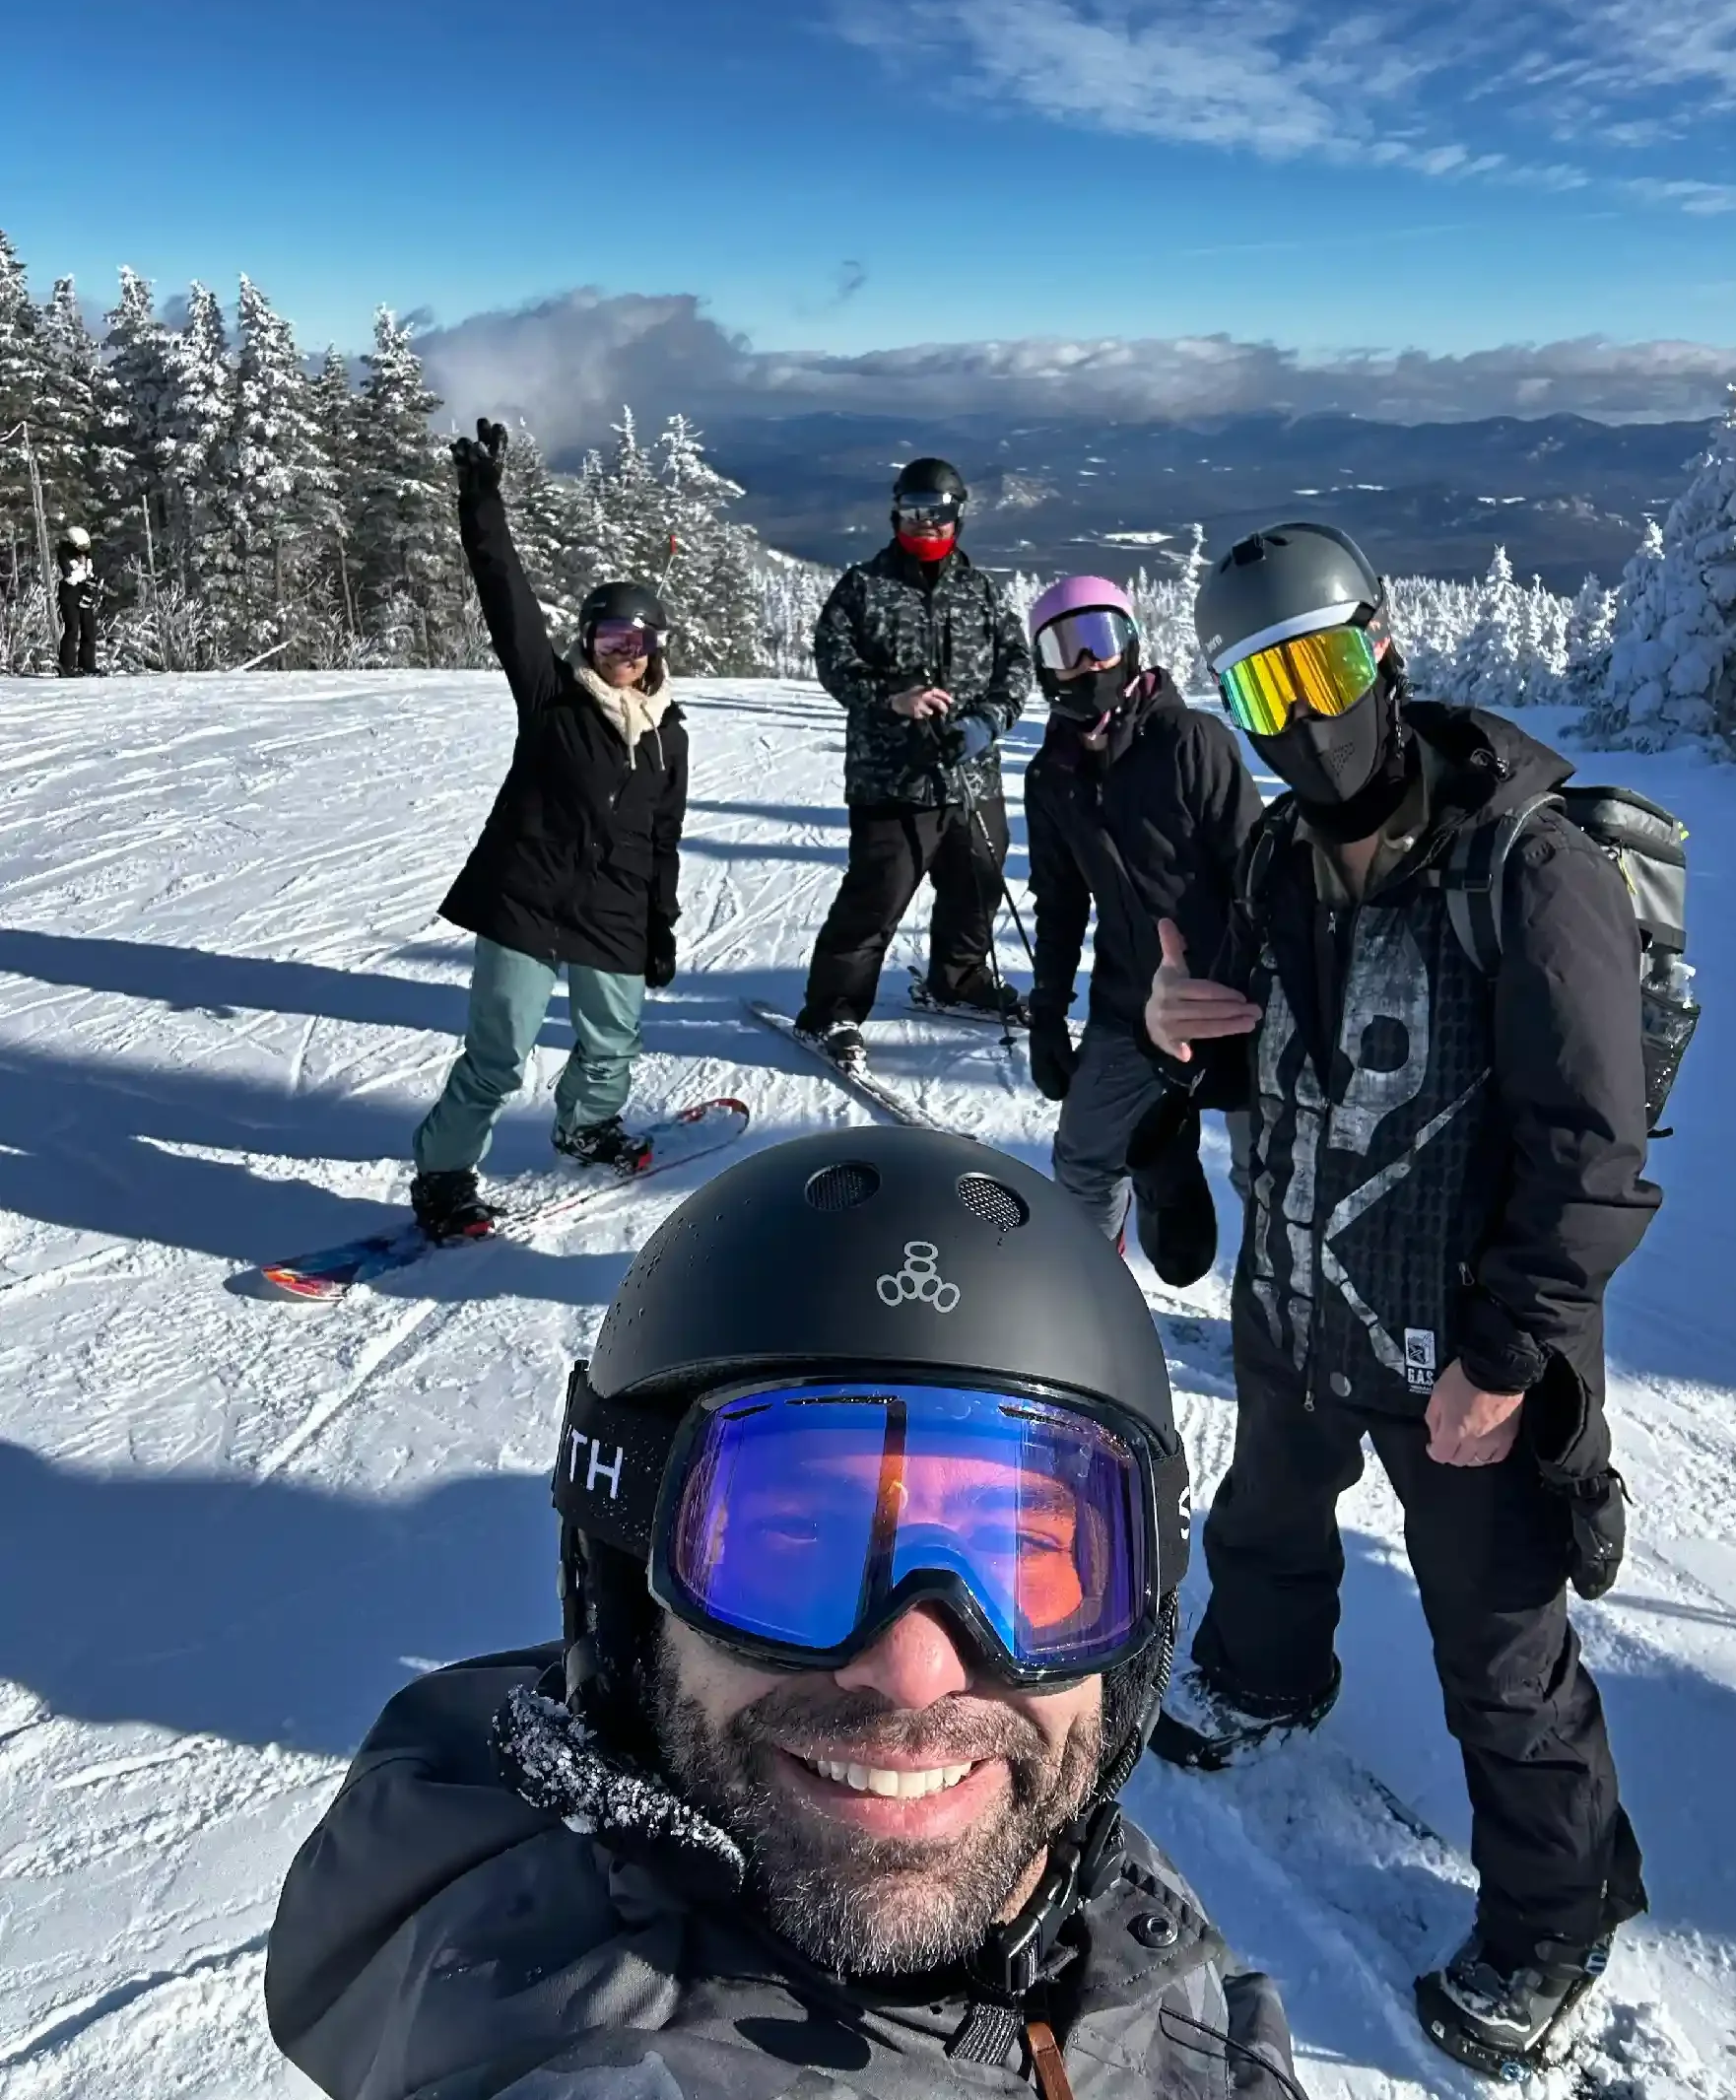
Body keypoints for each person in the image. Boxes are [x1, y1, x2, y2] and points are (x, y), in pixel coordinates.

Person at [264, 1128, 1308, 2100]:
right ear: (630, 1603)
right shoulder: (591, 2061)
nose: (915, 1669)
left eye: (1022, 1550)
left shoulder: (1076, 1890)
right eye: (798, 1540)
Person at [1144, 520, 1658, 2078]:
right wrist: (1178, 1028)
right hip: (1302, 1299)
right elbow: (1268, 1058)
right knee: (1265, 1515)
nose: (1302, 716)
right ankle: (1264, 1672)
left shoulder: (1527, 866)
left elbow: (1589, 1157)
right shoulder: (1274, 858)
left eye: (1321, 667)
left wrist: (1503, 1360)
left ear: (1380, 645)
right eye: (1261, 690)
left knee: (1499, 1651)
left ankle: (1555, 1920)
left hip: (1463, 1349)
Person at [408, 418, 688, 1241]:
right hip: (526, 897)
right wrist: (481, 503)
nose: (623, 653)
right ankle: (444, 1178)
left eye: (637, 641)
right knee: (497, 1055)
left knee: (613, 1044)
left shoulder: (669, 735)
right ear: (586, 642)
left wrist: (659, 926)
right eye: (609, 638)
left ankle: (586, 1127)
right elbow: (505, 597)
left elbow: (662, 839)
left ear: (655, 649)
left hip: (614, 906)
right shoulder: (550, 698)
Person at [1023, 576, 1262, 1287]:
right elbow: (1059, 902)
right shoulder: (1052, 776)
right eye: (1065, 648)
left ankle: (1282, 1313)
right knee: (1083, 1161)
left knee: (1269, 1175)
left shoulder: (1189, 740)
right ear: (1043, 666)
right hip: (1129, 1002)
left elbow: (1257, 872)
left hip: (1236, 999)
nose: (1086, 662)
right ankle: (1088, 1297)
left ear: (1129, 645)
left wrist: (1262, 993)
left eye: (1099, 639)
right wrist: (1046, 1011)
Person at [797, 456, 1033, 1074]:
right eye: (913, 513)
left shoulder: (981, 592)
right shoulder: (863, 587)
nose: (926, 525)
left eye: (939, 514)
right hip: (891, 779)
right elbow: (832, 661)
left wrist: (986, 724)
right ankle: (832, 1009)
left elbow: (1016, 666)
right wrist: (891, 698)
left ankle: (958, 978)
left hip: (971, 776)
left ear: (958, 516)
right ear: (896, 514)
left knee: (977, 883)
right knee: (876, 898)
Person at [55, 526, 99, 677]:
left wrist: (91, 581)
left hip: (85, 594)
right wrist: (83, 575)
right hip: (69, 596)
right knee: (72, 629)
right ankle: (66, 665)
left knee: (89, 630)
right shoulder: (64, 555)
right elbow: (70, 578)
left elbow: (90, 572)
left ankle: (87, 665)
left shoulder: (87, 556)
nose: (83, 551)